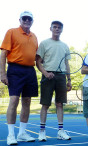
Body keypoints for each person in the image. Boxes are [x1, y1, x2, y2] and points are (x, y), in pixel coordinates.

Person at [0, 11, 38, 145]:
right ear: (20, 19)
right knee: (14, 100)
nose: (27, 20)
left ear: (32, 21)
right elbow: (3, 53)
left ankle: (22, 133)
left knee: (27, 101)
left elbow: (36, 58)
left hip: (30, 71)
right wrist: (2, 73)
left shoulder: (34, 37)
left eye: (29, 19)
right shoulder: (11, 32)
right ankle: (11, 135)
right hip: (15, 69)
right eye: (24, 18)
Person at [36, 21, 72, 141]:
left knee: (59, 104)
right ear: (50, 28)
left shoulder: (65, 46)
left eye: (59, 27)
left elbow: (67, 64)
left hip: (61, 76)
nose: (57, 29)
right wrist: (46, 73)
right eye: (55, 27)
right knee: (45, 104)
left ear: (62, 30)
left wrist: (69, 80)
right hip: (48, 76)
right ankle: (42, 132)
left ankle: (60, 131)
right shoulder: (44, 43)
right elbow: (38, 62)